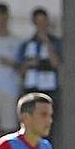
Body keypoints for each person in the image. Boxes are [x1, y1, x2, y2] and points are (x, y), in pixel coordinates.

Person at [16, 8, 61, 141]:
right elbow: (20, 70)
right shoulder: (27, 44)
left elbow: (57, 63)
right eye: (38, 22)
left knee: (47, 127)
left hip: (49, 90)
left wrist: (47, 43)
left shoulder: (55, 42)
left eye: (43, 22)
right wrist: (29, 64)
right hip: (31, 89)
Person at [0, 3, 21, 142]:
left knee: (8, 131)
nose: (1, 22)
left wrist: (12, 64)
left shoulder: (16, 41)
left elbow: (23, 66)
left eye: (4, 18)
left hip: (10, 90)